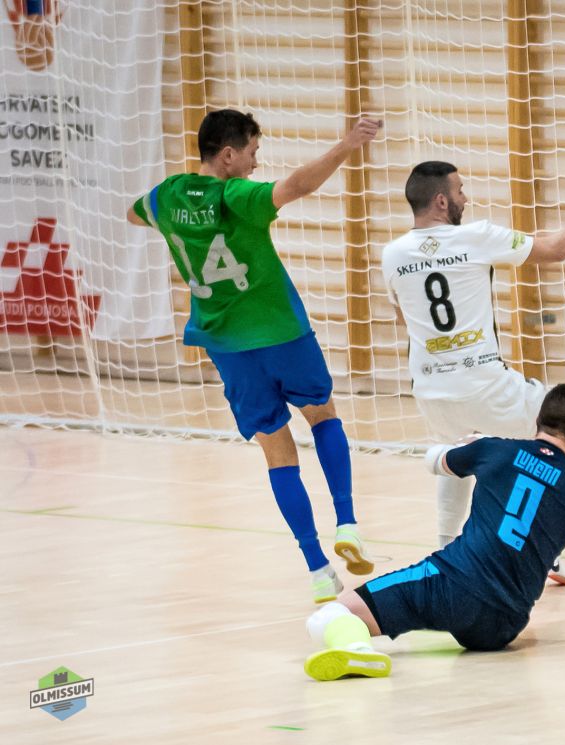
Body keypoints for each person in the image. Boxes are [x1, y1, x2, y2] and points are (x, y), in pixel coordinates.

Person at [127, 109, 384, 603]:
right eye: (251, 153)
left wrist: (180, 216)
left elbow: (133, 214)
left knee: (276, 450)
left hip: (227, 348)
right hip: (281, 332)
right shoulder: (237, 196)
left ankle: (317, 569)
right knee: (322, 415)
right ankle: (347, 522)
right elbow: (297, 187)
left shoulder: (166, 196)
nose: (255, 163)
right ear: (228, 155)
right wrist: (346, 145)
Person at [301, 384, 565, 681]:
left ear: (537, 421)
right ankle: (361, 648)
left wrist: (469, 444)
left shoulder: (495, 450)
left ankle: (357, 649)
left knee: (330, 615)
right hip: (503, 625)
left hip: (451, 585)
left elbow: (434, 460)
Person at [378, 161, 565, 569]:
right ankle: (545, 548)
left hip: (431, 392)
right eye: (460, 190)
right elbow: (557, 249)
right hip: (486, 387)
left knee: (457, 456)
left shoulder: (391, 255)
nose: (465, 198)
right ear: (441, 201)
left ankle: (445, 550)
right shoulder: (477, 236)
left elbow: (407, 322)